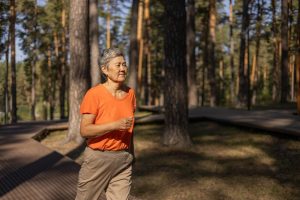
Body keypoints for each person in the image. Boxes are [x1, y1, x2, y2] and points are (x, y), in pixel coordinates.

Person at [75, 48, 136, 200]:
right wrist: (114, 125)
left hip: (123, 159)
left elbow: (130, 129)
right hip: (98, 159)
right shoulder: (94, 94)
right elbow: (85, 130)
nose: (122, 69)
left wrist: (132, 156)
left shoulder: (131, 94)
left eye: (124, 64)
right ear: (105, 69)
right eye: (118, 65)